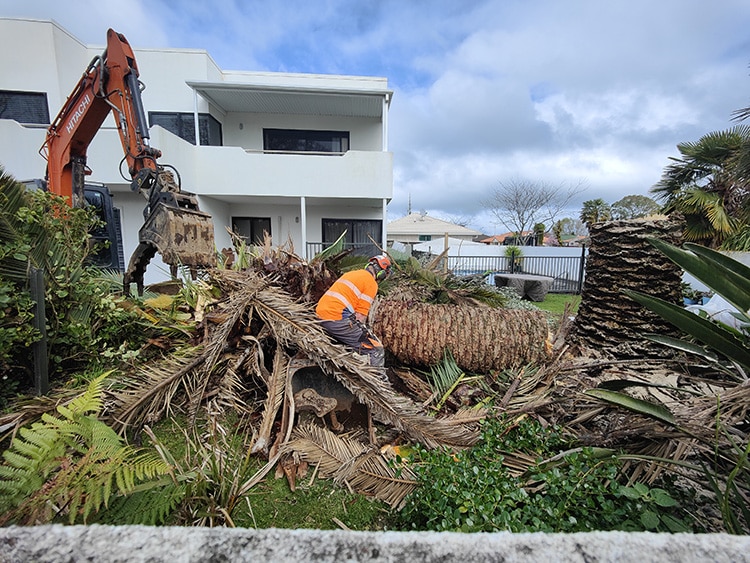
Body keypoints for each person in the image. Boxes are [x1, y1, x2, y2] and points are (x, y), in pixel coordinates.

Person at [315, 254, 392, 375]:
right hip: (337, 318)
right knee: (376, 349)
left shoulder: (351, 274)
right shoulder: (371, 283)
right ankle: (378, 387)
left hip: (321, 315)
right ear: (381, 273)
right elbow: (360, 317)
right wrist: (365, 334)